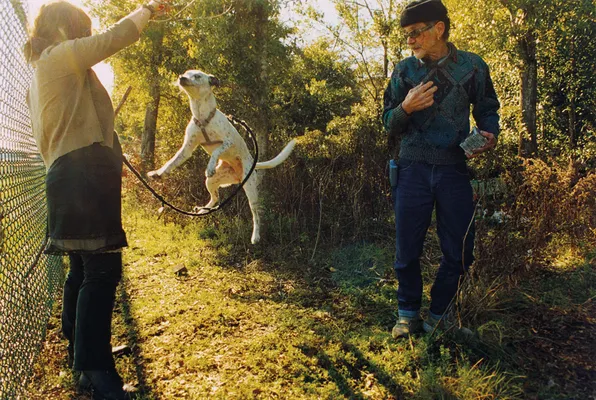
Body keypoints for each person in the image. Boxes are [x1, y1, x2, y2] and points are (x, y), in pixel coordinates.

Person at [25, 1, 168, 398]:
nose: (86, 37)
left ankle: (82, 352)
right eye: (82, 29)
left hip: (65, 175)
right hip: (83, 174)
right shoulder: (60, 56)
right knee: (102, 273)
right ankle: (96, 369)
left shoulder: (38, 74)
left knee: (82, 269)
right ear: (65, 28)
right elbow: (114, 38)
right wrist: (146, 11)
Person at [382, 0, 500, 338]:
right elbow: (387, 121)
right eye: (406, 36)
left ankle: (439, 316)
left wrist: (489, 132)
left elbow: (488, 108)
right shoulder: (404, 71)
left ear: (439, 29)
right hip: (411, 170)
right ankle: (407, 316)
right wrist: (405, 107)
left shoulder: (473, 67)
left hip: (454, 170)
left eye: (416, 34)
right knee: (407, 249)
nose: (411, 42)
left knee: (460, 249)